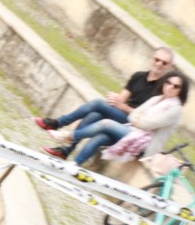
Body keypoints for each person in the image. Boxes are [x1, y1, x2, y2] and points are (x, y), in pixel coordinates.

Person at [35, 47, 184, 135]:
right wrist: (116, 100)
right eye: (157, 59)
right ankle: (65, 150)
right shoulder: (138, 76)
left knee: (97, 104)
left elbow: (143, 118)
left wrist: (122, 106)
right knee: (96, 113)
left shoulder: (164, 89)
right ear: (152, 58)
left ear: (170, 66)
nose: (159, 64)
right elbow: (121, 99)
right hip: (123, 114)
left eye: (164, 63)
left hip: (133, 124)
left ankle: (58, 123)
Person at [55, 71, 184, 167]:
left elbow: (148, 124)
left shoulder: (175, 109)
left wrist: (140, 119)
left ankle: (70, 136)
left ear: (181, 91)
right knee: (101, 136)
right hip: (133, 131)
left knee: (106, 123)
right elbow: (134, 115)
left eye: (176, 86)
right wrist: (139, 119)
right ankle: (75, 164)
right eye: (168, 82)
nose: (170, 87)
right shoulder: (156, 99)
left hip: (145, 145)